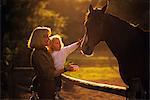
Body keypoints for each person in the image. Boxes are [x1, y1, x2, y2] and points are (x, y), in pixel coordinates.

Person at [28, 27, 74, 99]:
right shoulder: (39, 54)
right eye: (45, 37)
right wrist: (65, 69)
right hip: (44, 90)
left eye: (48, 36)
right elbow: (49, 74)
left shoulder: (45, 52)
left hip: (49, 89)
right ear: (38, 38)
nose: (49, 39)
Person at [47, 35, 81, 99]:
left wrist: (78, 44)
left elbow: (70, 47)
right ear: (51, 44)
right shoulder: (50, 53)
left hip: (59, 73)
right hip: (52, 72)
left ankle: (56, 94)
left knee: (58, 83)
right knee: (50, 86)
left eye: (60, 42)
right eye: (56, 43)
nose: (59, 44)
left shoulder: (63, 51)